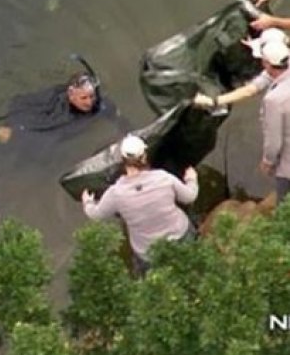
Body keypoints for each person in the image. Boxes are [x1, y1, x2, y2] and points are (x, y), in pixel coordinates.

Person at [194, 29, 290, 203]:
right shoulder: (283, 64)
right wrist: (214, 101)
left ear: (267, 63)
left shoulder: (274, 100)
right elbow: (249, 89)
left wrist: (268, 161)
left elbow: (274, 141)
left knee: (284, 194)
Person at [81, 135, 198, 276]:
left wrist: (87, 201)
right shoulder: (163, 177)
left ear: (122, 160)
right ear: (144, 157)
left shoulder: (116, 193)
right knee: (194, 267)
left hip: (148, 251)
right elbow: (189, 196)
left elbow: (96, 215)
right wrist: (192, 179)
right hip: (182, 236)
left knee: (152, 278)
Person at [0, 71, 104, 142]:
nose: (89, 102)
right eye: (84, 98)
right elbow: (20, 104)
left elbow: (110, 110)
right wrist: (10, 126)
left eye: (92, 97)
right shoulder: (53, 101)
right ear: (71, 95)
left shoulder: (97, 104)